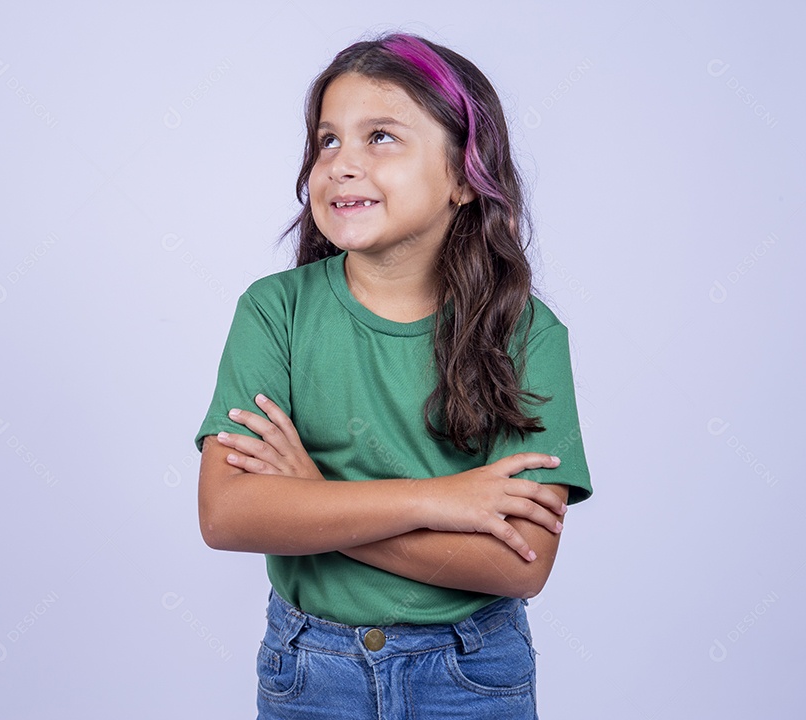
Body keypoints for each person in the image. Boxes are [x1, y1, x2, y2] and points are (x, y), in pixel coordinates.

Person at [193, 31, 593, 719]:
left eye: (380, 137)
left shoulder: (526, 333)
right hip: (310, 668)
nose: (342, 164)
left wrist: (314, 501)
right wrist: (437, 499)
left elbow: (520, 563)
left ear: (465, 176)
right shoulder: (276, 312)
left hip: (469, 672)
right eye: (327, 140)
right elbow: (228, 514)